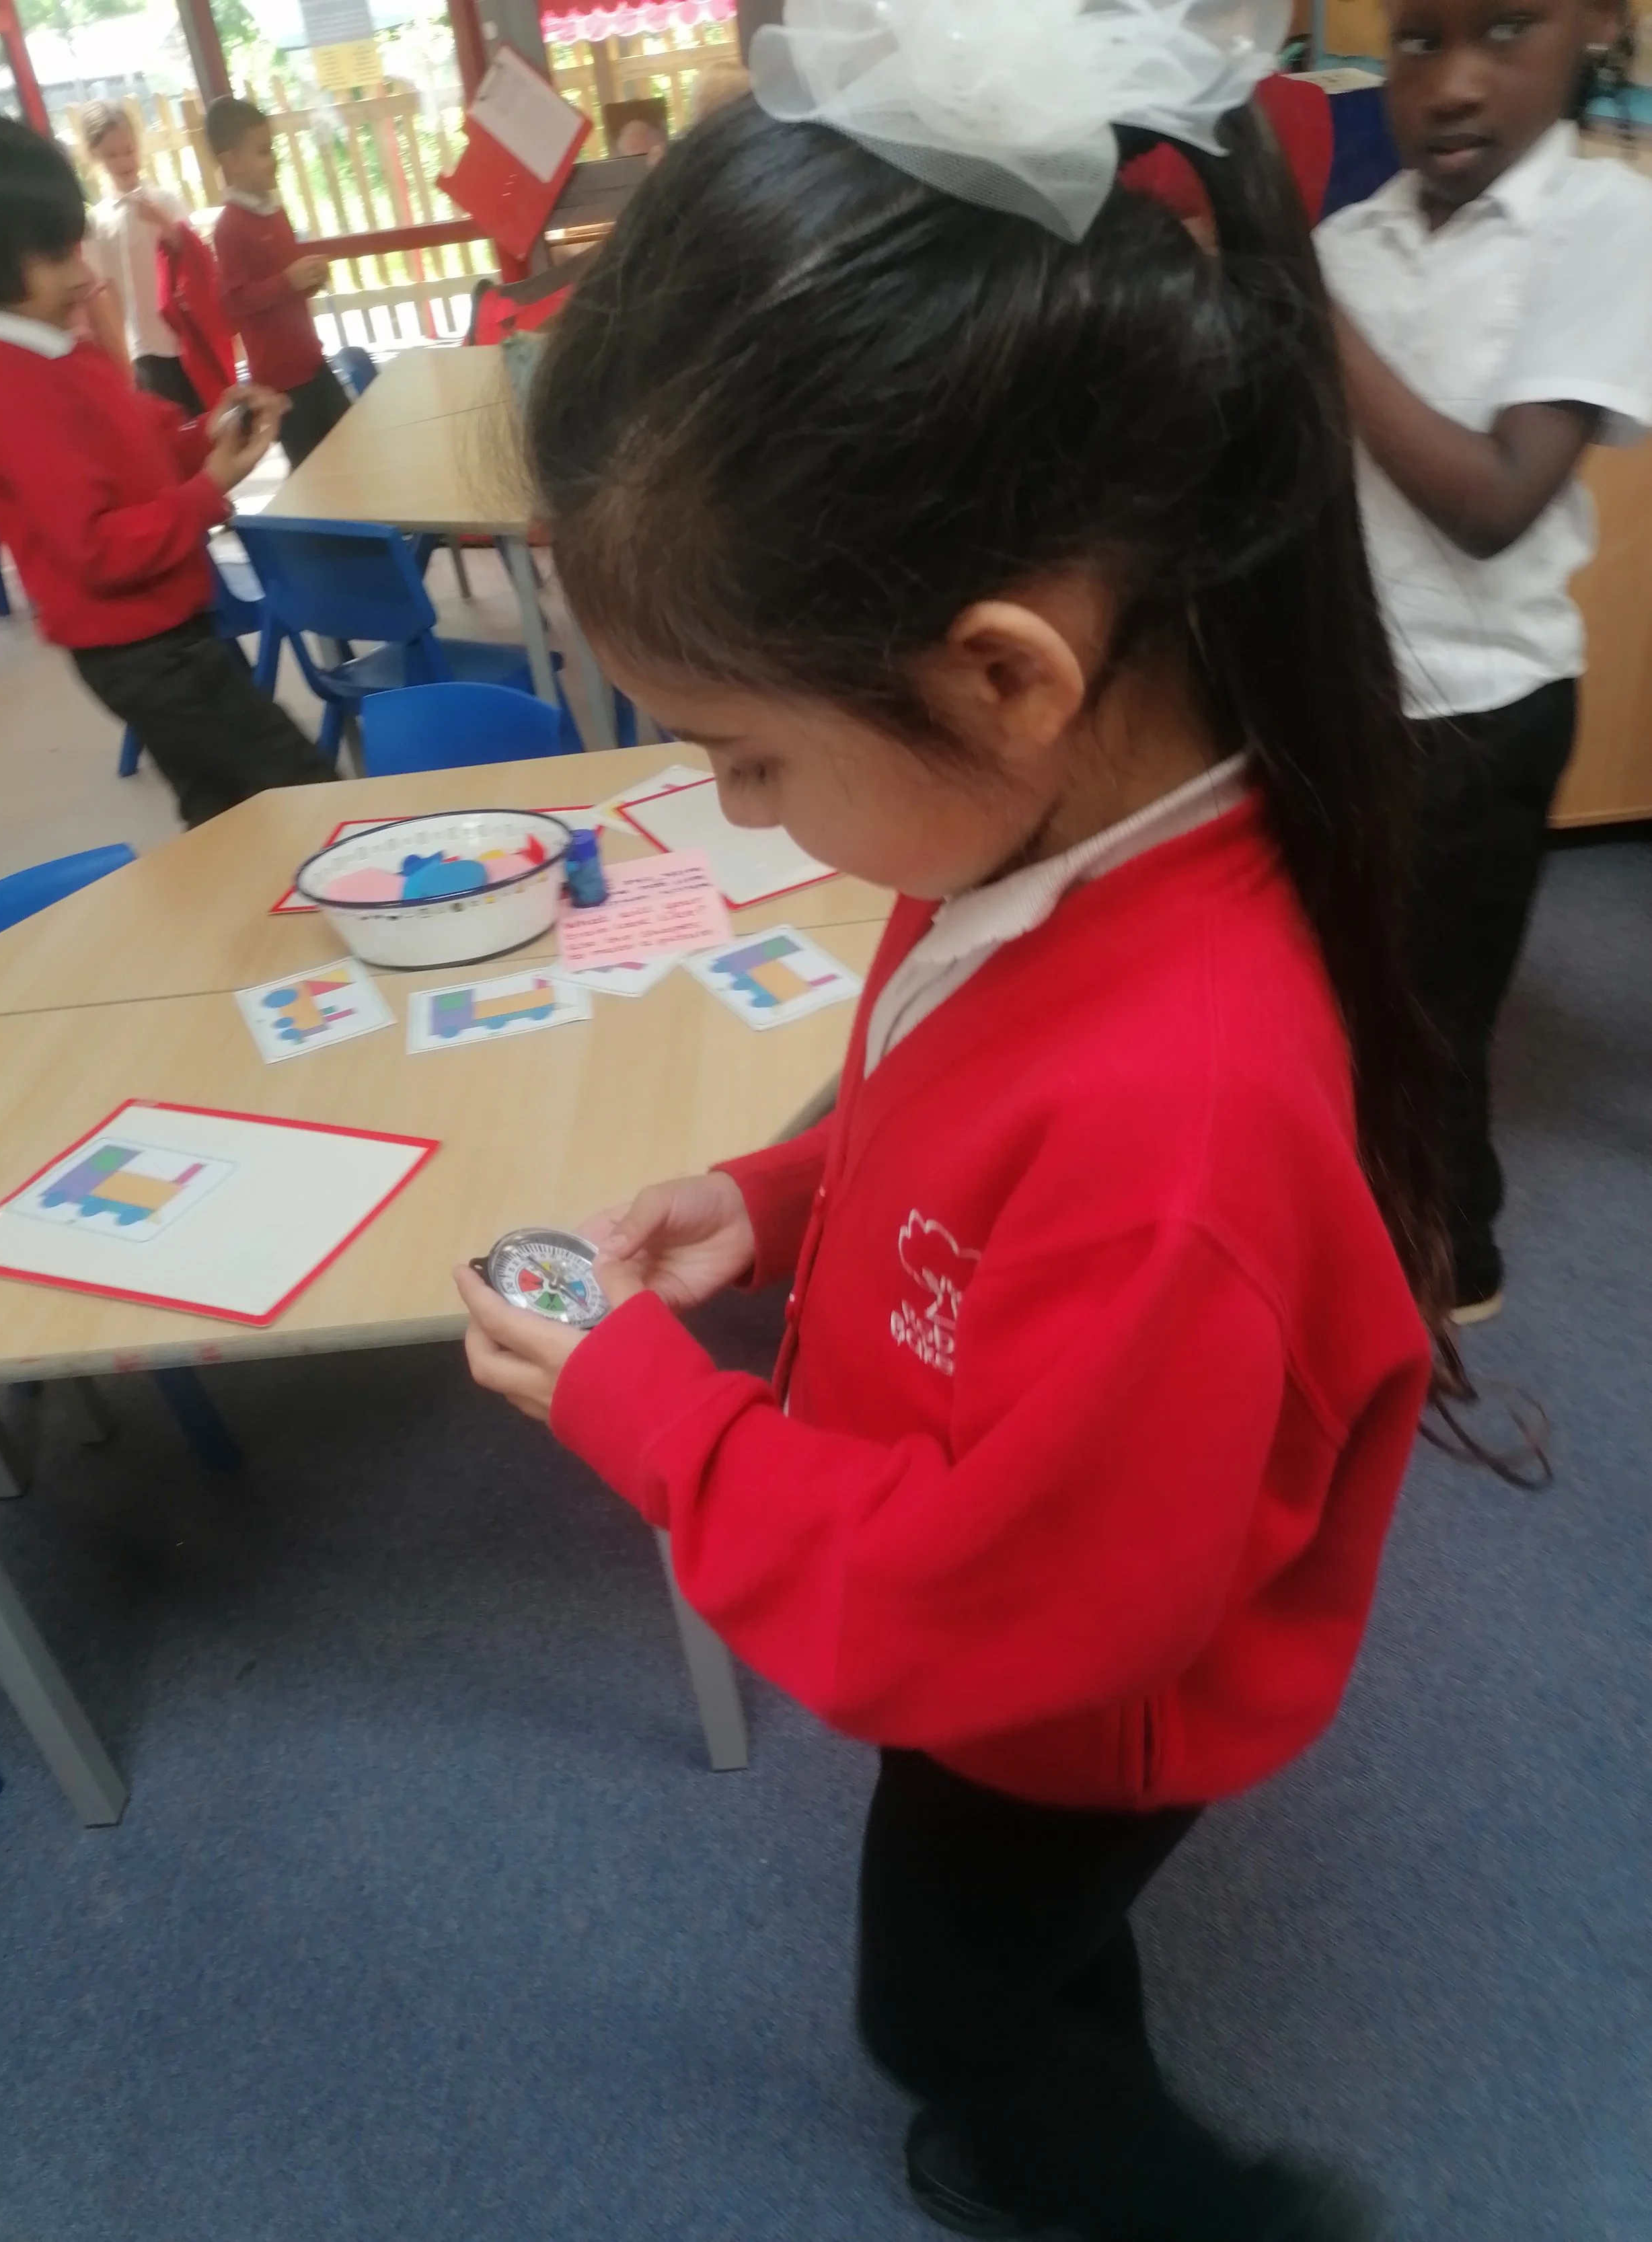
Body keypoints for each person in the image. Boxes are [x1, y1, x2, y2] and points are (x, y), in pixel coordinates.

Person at [453, 4, 1450, 2235]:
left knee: (943, 1999)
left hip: (1059, 1694)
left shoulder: (1182, 1112)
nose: (740, 811)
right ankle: (1059, 2089)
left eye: (748, 755)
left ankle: (1215, 2213)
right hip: (1040, 1582)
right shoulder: (1054, 834)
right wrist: (782, 1191)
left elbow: (998, 1605)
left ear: (1003, 673)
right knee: (1035, 1964)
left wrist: (645, 1410)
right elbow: (964, 1103)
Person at [1317, 0, 1652, 1321]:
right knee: (1342, 988)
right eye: (1418, 41)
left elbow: (1496, 498)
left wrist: (1304, 312)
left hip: (1485, 708)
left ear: (1593, 30)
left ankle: (1454, 1258)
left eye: (1503, 30)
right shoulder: (1349, 240)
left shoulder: (1603, 221)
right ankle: (1344, 1214)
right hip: (1348, 699)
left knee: (1434, 1018)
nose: (1452, 85)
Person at [0, 110, 334, 827]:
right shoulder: (1, 382)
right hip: (138, 649)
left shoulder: (54, 346)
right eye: (57, 258)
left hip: (169, 626)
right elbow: (97, 547)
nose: (84, 277)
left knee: (224, 805)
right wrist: (208, 491)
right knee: (305, 794)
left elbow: (141, 449)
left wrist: (210, 433)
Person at [205, 96, 349, 470]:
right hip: (280, 381)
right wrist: (288, 281)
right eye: (263, 151)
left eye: (272, 149)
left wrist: (310, 279)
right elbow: (235, 302)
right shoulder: (229, 227)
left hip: (312, 360)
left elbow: (288, 286)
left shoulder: (275, 211)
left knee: (352, 447)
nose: (274, 160)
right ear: (231, 162)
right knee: (314, 471)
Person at [77, 99, 229, 415]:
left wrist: (164, 222)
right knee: (169, 423)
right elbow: (102, 291)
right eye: (111, 155)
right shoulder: (97, 222)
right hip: (141, 344)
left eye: (129, 150)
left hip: (184, 334)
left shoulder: (165, 201)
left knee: (210, 416)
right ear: (94, 157)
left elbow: (196, 258)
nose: (124, 161)